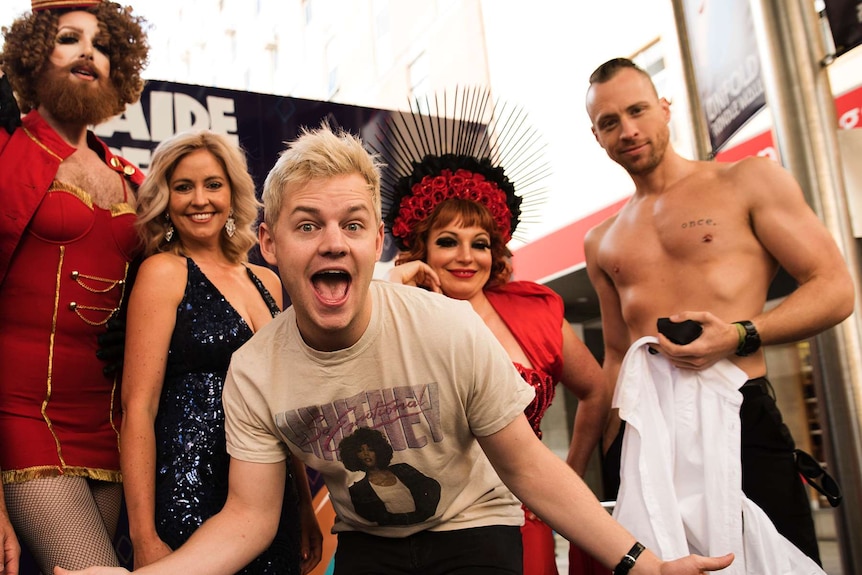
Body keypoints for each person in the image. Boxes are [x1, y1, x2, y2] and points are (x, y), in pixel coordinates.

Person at [54, 123, 734, 575]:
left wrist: (642, 563)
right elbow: (250, 517)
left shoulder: (444, 325)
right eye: (307, 224)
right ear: (270, 244)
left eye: (351, 223)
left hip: (473, 528)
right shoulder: (255, 371)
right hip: (371, 545)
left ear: (375, 241)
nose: (332, 241)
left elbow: (531, 468)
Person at [583, 57, 854, 566]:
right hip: (647, 435)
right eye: (609, 122)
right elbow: (616, 357)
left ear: (665, 109)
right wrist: (599, 457)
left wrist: (740, 334)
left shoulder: (746, 182)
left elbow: (835, 288)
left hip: (740, 415)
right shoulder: (602, 240)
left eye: (638, 110)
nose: (629, 130)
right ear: (596, 136)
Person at [379, 100, 608, 573]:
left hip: (527, 517)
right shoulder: (395, 317)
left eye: (479, 243)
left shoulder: (535, 313)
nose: (466, 257)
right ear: (420, 247)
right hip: (431, 527)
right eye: (448, 241)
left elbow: (597, 390)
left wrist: (572, 473)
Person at [119, 130, 322, 574]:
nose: (199, 199)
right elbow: (138, 407)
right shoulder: (163, 272)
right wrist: (144, 536)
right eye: (183, 186)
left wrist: (304, 505)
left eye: (212, 184)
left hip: (271, 498)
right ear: (166, 199)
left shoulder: (267, 281)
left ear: (233, 193)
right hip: (187, 492)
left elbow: (281, 408)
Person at [0, 1, 148, 572]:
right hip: (22, 415)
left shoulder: (131, 177)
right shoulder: (9, 151)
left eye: (104, 45)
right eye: (69, 38)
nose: (89, 52)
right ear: (36, 55)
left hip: (110, 425)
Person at [339, 427, 441, 526]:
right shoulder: (358, 490)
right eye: (360, 451)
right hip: (390, 537)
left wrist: (424, 514)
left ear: (378, 451)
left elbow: (433, 487)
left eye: (370, 449)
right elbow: (373, 519)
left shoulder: (403, 469)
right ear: (353, 455)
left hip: (424, 528)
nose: (366, 454)